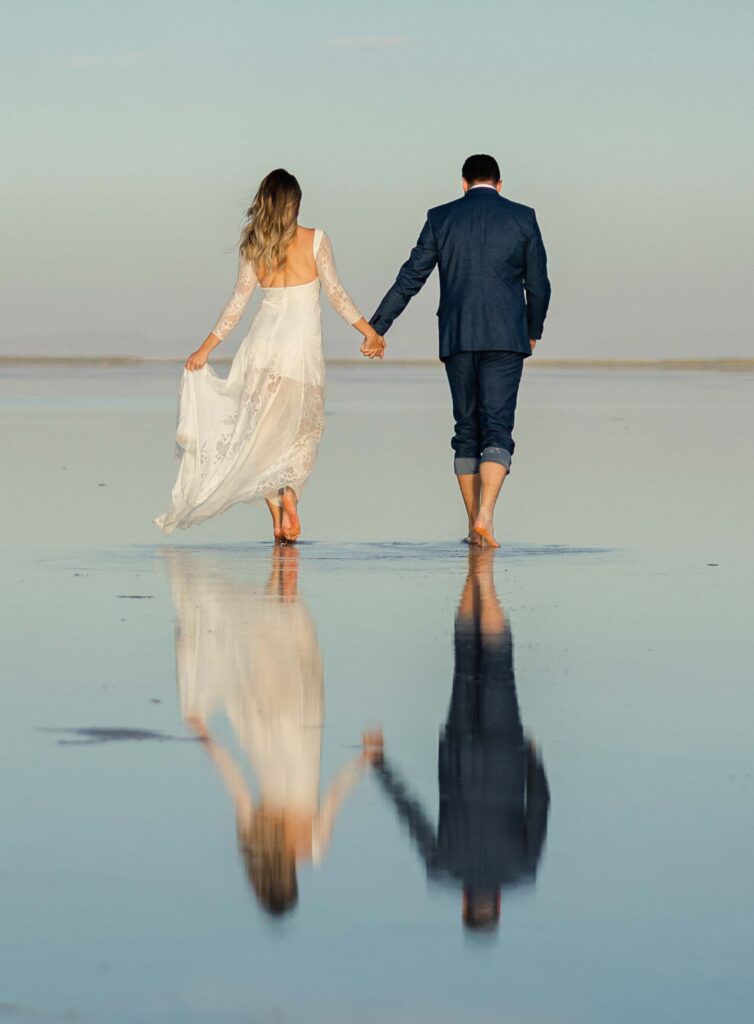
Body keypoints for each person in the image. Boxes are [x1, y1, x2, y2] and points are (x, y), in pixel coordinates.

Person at [154, 168, 385, 542]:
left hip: (261, 352)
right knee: (300, 434)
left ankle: (278, 522)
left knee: (261, 437)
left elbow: (237, 305)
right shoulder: (316, 240)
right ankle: (290, 495)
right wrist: (370, 332)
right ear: (295, 203)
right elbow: (338, 295)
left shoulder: (254, 247)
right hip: (301, 353)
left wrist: (205, 349)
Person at [163, 545, 376, 917]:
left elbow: (336, 792)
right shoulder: (258, 838)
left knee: (287, 637)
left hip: (301, 724)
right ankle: (279, 570)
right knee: (259, 642)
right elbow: (234, 782)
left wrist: (364, 759)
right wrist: (206, 736)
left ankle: (283, 570)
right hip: (264, 728)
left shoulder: (313, 846)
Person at [366, 154, 551, 547]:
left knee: (466, 430)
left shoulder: (441, 218)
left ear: (463, 183)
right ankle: (486, 516)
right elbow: (539, 285)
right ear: (500, 184)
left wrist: (376, 326)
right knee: (497, 428)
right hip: (507, 337)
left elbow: (411, 276)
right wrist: (532, 330)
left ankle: (473, 524)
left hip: (458, 336)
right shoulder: (523, 217)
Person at [370, 547, 550, 933]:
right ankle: (476, 576)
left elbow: (540, 806)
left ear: (498, 903)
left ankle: (484, 577)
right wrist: (380, 766)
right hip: (458, 750)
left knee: (498, 665)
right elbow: (412, 816)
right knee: (466, 657)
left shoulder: (522, 869)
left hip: (504, 752)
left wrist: (534, 760)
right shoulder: (443, 868)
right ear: (467, 904)